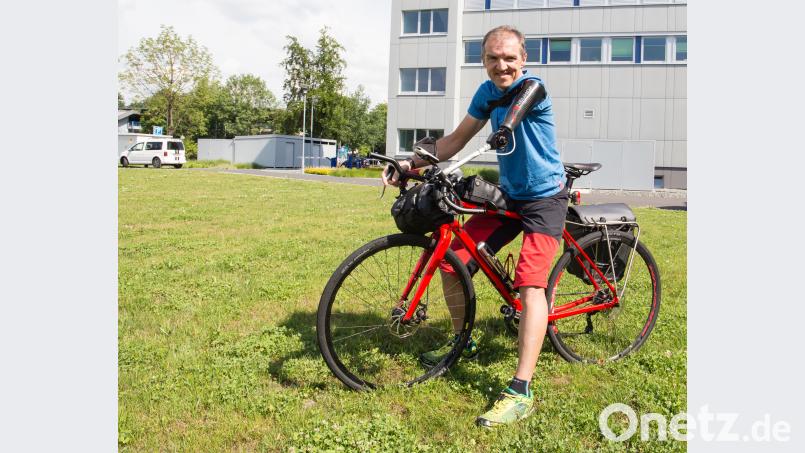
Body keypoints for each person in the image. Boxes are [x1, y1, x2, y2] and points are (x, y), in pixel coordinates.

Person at [381, 25, 567, 428]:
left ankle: (521, 391)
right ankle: (464, 339)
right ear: (483, 61)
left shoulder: (532, 87)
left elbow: (520, 106)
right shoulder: (486, 93)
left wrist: (504, 130)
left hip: (545, 199)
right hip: (511, 195)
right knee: (453, 262)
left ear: (523, 60)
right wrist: (408, 163)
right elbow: (453, 142)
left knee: (530, 284)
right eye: (493, 58)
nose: (502, 65)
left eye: (509, 58)